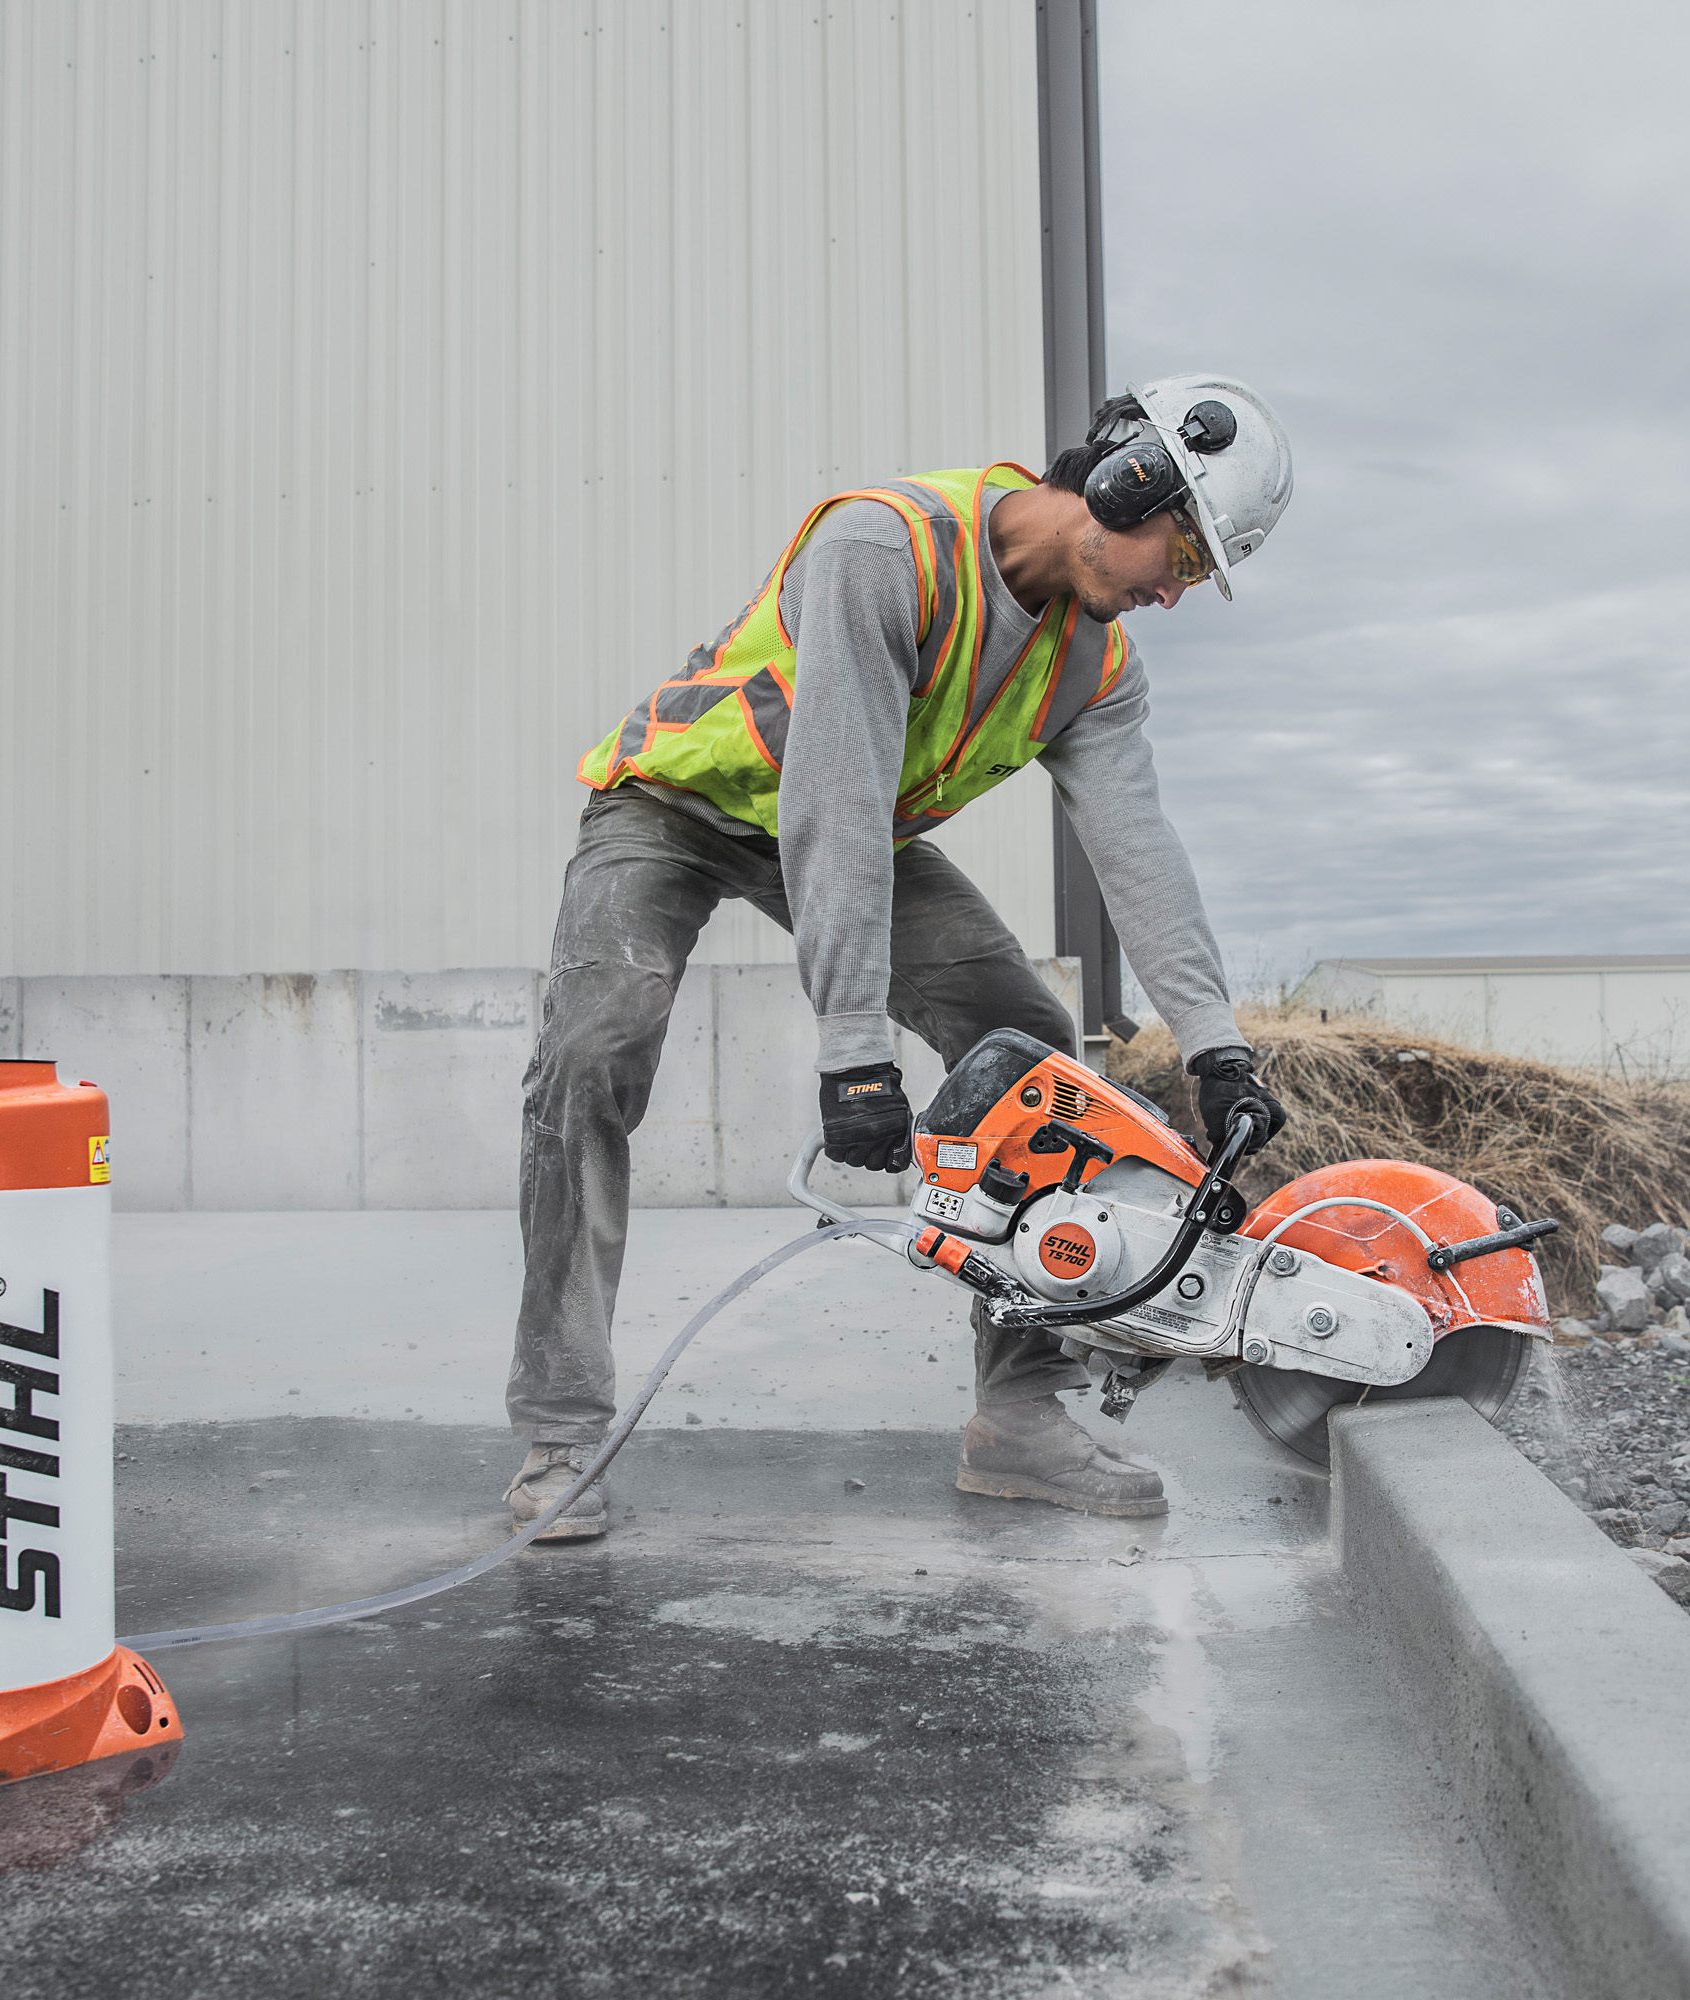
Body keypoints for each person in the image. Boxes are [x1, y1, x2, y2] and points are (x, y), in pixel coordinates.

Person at [507, 376, 1295, 1539]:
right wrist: (855, 1051)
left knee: (1024, 1041)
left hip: (850, 831)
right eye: (1181, 554)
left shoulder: (1098, 663)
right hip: (678, 805)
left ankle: (1020, 1417)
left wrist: (1217, 1045)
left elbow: (1142, 853)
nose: (1173, 593)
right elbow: (831, 790)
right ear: (1130, 481)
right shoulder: (888, 545)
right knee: (593, 1049)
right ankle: (562, 1435)